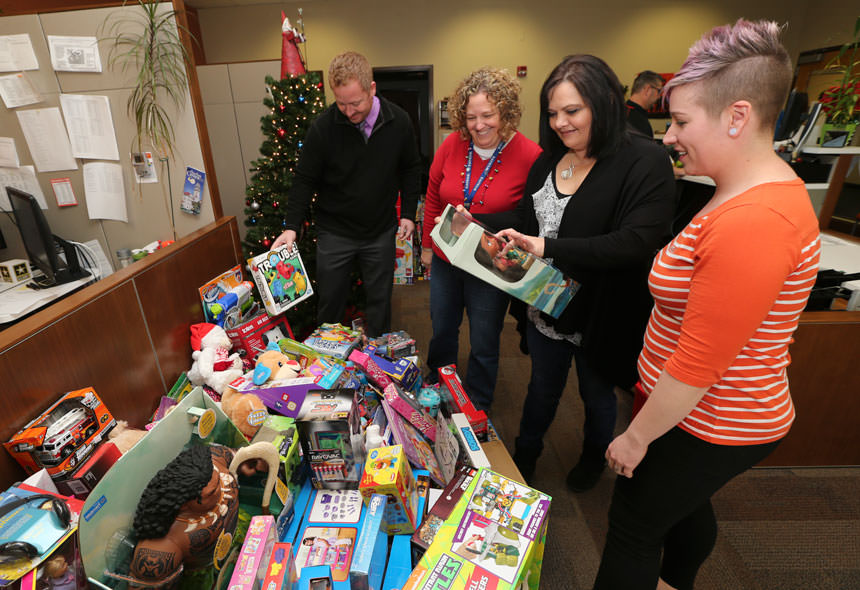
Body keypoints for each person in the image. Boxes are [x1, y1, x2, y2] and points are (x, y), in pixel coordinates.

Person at [594, 20, 821, 590]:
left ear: (736, 117)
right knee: (684, 508)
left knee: (633, 525)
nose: (669, 135)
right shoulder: (739, 192)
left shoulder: (755, 221)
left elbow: (701, 362)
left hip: (713, 417)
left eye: (683, 121)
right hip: (692, 409)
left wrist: (637, 437)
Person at [485, 55, 676, 491]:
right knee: (541, 389)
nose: (560, 123)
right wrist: (477, 220)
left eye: (572, 111)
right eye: (553, 113)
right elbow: (528, 215)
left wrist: (546, 247)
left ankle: (593, 458)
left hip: (601, 311)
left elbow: (635, 242)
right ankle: (526, 455)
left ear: (605, 102)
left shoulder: (642, 160)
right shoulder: (550, 159)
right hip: (546, 302)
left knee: (596, 394)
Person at [273, 51, 422, 338]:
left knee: (379, 304)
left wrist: (408, 215)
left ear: (372, 89)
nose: (349, 112)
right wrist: (291, 227)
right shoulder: (324, 127)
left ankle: (378, 362)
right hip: (335, 232)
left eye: (355, 103)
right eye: (341, 104)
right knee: (330, 304)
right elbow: (304, 179)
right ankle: (330, 364)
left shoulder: (399, 121)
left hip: (379, 229)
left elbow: (411, 169)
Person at [421, 67, 541, 411]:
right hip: (446, 257)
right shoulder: (451, 145)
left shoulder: (530, 155)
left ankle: (477, 403)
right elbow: (433, 193)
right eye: (471, 117)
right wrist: (428, 247)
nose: (479, 125)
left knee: (485, 339)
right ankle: (439, 387)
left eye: (487, 115)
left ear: (505, 113)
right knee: (442, 328)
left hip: (492, 264)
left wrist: (486, 221)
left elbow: (530, 216)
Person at [626, 70, 664, 138]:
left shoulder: (621, 111)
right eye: (659, 91)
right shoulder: (635, 120)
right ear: (648, 90)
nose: (659, 97)